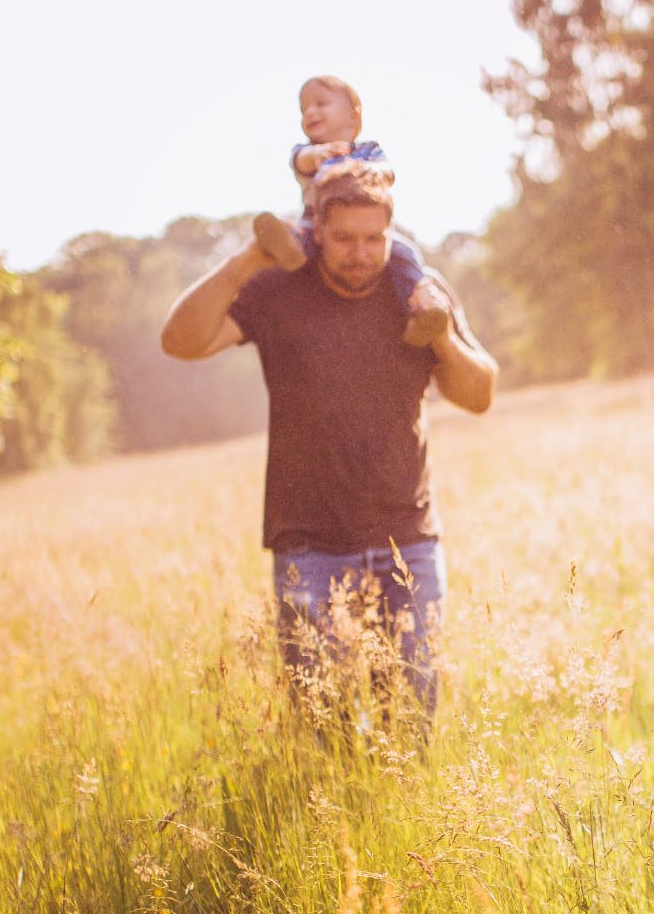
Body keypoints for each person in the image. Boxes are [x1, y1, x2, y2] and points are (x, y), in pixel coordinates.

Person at [161, 161, 497, 729]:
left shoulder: (418, 294)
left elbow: (479, 393)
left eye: (374, 239)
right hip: (308, 547)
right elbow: (181, 342)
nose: (361, 254)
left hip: (406, 542)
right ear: (315, 229)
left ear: (392, 233)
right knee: (323, 727)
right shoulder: (276, 290)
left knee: (410, 723)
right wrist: (248, 261)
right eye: (344, 238)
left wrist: (440, 335)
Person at [246, 75, 451, 336]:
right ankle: (286, 247)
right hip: (316, 222)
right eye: (304, 108)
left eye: (321, 103)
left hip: (368, 219)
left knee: (403, 253)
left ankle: (421, 307)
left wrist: (368, 172)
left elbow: (386, 170)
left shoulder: (367, 151)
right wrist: (318, 154)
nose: (311, 112)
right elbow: (301, 161)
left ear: (353, 116)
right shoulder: (307, 151)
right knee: (302, 237)